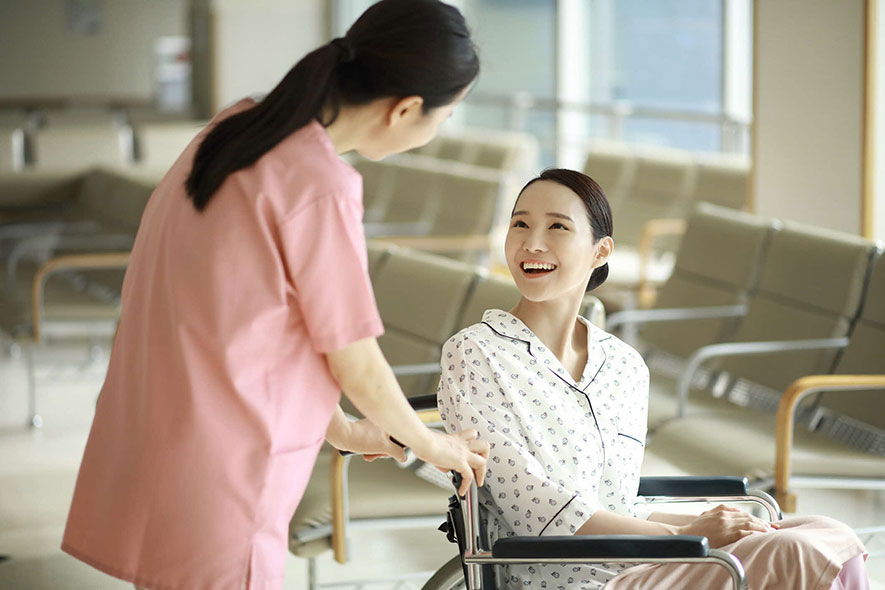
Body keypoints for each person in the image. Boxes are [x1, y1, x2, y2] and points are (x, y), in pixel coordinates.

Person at [61, 2, 490, 589]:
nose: (437, 132)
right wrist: (428, 445)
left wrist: (344, 430)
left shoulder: (232, 132)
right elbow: (353, 356)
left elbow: (253, 316)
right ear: (407, 109)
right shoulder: (319, 185)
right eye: (447, 116)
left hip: (167, 434)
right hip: (229, 465)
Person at [437, 168, 868, 590]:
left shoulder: (623, 366)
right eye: (521, 224)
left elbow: (618, 502)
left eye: (557, 227)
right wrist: (687, 538)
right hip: (572, 577)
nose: (532, 243)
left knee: (828, 532)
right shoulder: (476, 354)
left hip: (644, 562)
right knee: (793, 552)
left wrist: (711, 526)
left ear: (600, 251)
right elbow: (540, 512)